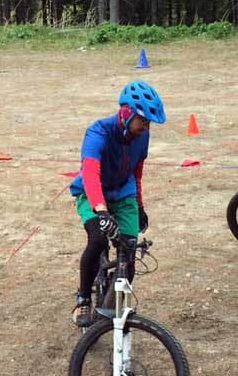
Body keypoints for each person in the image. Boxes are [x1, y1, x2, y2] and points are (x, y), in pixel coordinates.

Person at [68, 81, 165, 327]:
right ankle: (83, 298)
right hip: (92, 193)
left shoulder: (142, 136)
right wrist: (100, 210)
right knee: (98, 239)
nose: (147, 126)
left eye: (149, 122)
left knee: (129, 251)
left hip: (124, 195)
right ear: (126, 112)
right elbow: (89, 173)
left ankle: (116, 301)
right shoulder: (97, 133)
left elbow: (137, 171)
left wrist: (140, 205)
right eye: (143, 120)